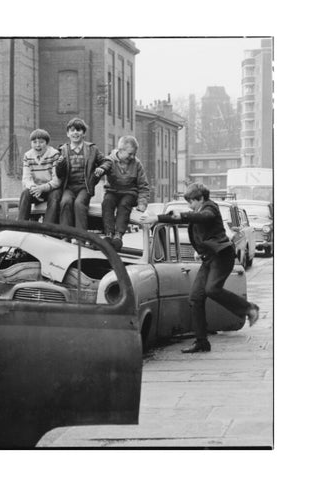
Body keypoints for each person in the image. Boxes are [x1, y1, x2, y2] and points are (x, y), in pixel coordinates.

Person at [140, 182, 260, 353]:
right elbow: (194, 224)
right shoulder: (199, 210)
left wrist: (159, 218)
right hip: (209, 259)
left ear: (201, 198)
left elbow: (203, 217)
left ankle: (249, 308)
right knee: (196, 298)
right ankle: (202, 342)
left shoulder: (210, 208)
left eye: (192, 202)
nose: (190, 206)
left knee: (212, 289)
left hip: (222, 257)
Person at [56, 118, 111, 230]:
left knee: (79, 204)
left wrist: (101, 168)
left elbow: (107, 161)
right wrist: (60, 164)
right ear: (68, 134)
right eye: (72, 130)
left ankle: (81, 238)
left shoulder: (92, 149)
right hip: (68, 187)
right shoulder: (62, 150)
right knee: (65, 202)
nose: (75, 132)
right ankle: (66, 235)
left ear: (84, 133)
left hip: (85, 187)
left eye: (79, 130)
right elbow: (59, 174)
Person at [101, 135, 150, 251]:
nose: (132, 157)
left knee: (124, 204)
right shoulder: (110, 161)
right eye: (130, 154)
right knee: (107, 202)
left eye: (134, 154)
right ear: (121, 150)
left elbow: (143, 186)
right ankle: (108, 233)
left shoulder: (137, 164)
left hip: (129, 192)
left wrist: (142, 204)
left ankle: (118, 235)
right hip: (113, 191)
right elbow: (101, 169)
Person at [18, 129, 62, 223]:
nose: (37, 145)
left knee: (55, 197)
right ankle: (21, 226)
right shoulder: (27, 156)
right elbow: (26, 178)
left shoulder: (54, 155)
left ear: (47, 143)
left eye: (41, 142)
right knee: (25, 193)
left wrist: (42, 188)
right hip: (36, 189)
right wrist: (33, 187)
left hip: (51, 189)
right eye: (34, 142)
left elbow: (57, 181)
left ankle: (48, 229)